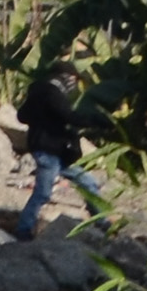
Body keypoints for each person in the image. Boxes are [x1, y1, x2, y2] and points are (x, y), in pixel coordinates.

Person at [14, 70, 111, 237]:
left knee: (88, 183)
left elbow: (22, 116)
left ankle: (103, 221)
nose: (73, 83)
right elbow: (69, 116)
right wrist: (96, 121)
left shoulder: (37, 93)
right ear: (64, 76)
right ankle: (23, 229)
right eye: (73, 78)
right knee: (43, 193)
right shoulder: (52, 93)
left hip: (54, 152)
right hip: (49, 151)